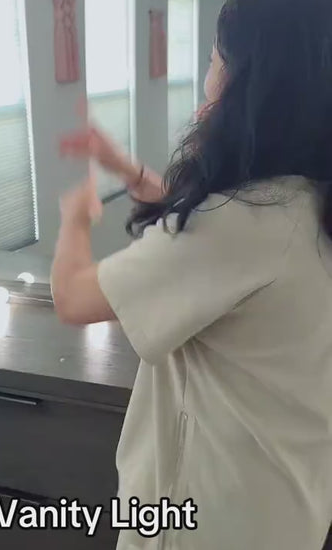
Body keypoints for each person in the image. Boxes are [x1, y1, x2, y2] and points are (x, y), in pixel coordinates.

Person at [51, 0, 332, 548]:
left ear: (247, 81)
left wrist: (74, 219)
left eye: (214, 58)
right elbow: (224, 248)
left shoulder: (241, 223)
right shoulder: (306, 202)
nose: (208, 72)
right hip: (285, 501)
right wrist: (131, 172)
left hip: (205, 514)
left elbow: (73, 297)